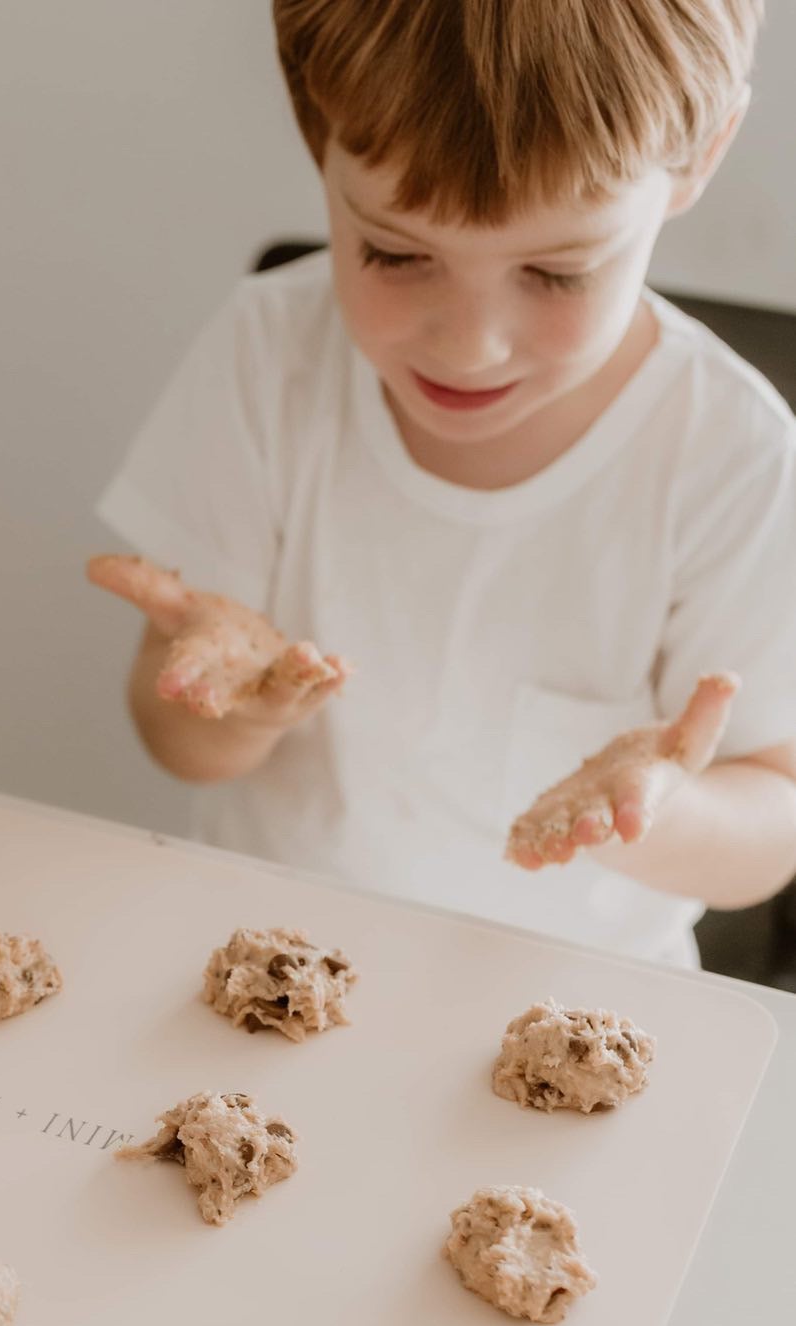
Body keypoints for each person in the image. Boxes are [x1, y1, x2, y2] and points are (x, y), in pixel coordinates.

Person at [89, 0, 796, 968]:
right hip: (265, 974)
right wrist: (229, 713)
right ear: (312, 125)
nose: (471, 346)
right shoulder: (268, 359)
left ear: (700, 157)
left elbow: (774, 815)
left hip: (576, 1012)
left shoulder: (734, 455)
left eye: (555, 272)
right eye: (396, 253)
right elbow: (168, 731)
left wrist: (661, 812)